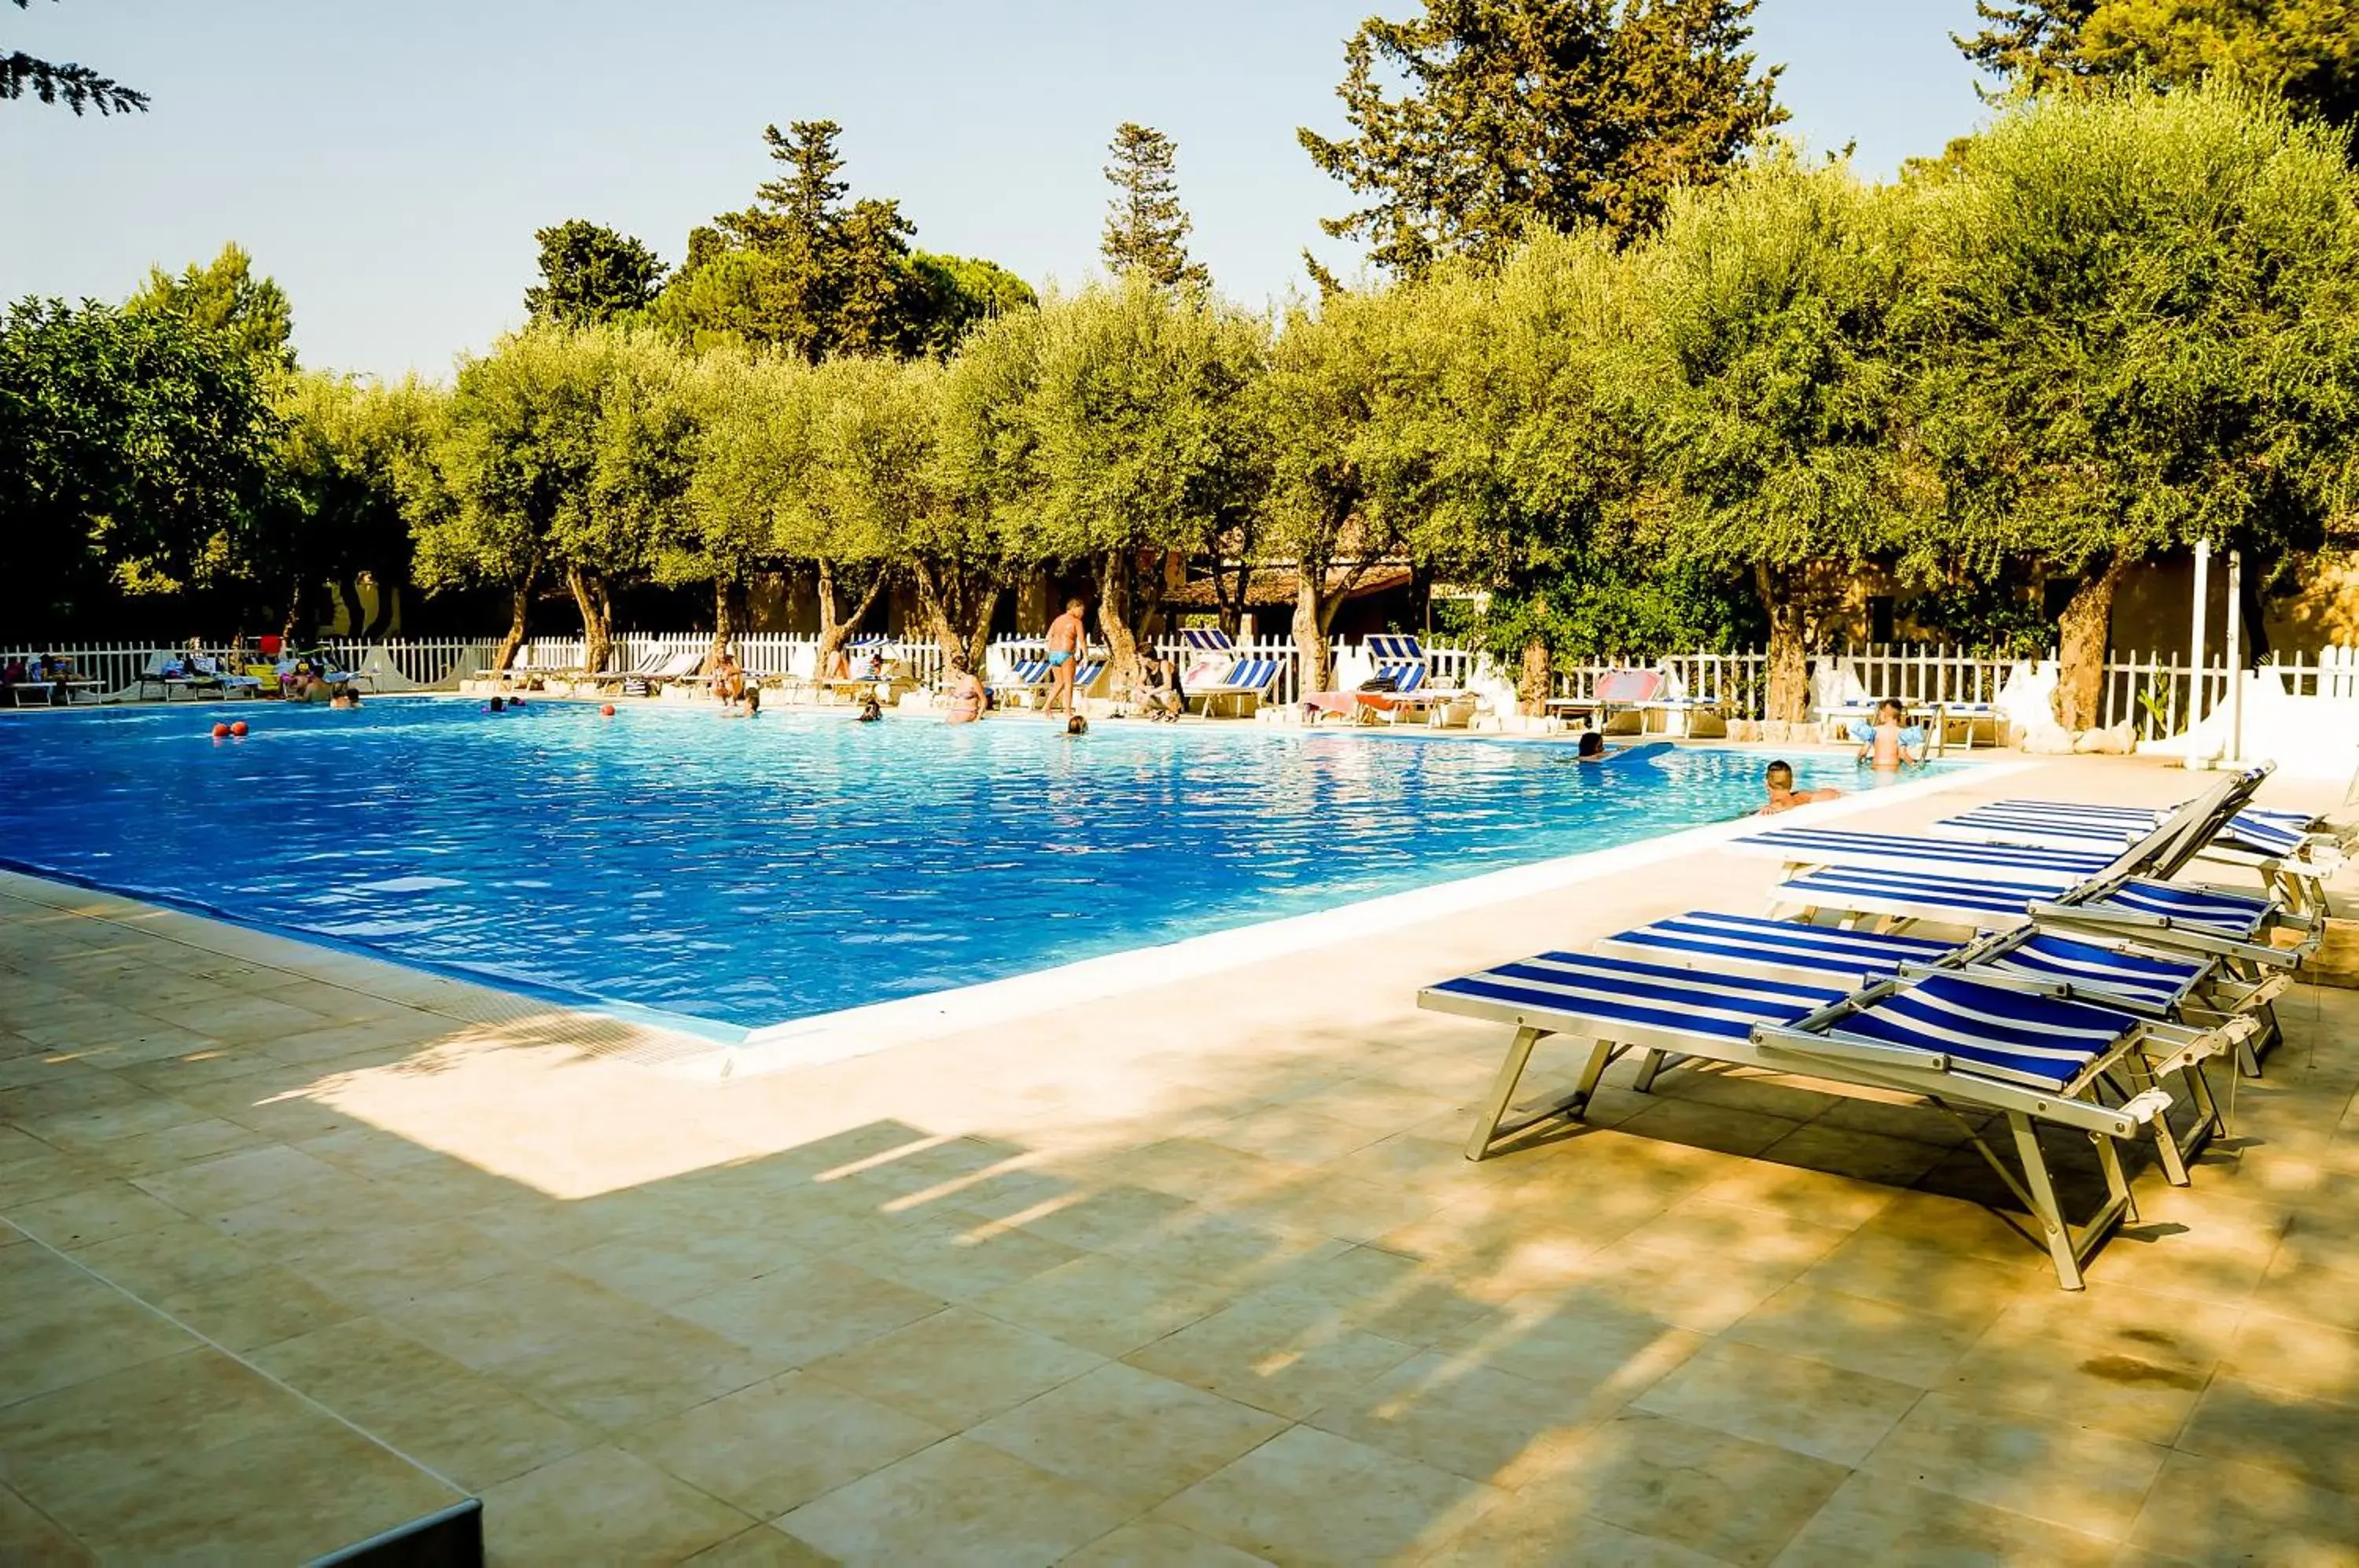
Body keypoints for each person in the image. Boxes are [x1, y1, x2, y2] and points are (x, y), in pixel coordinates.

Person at [1042, 597, 1087, 723]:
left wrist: (1051, 648)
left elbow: (1048, 636)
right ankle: (1067, 712)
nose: (1082, 613)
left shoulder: (1057, 620)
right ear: (1074, 608)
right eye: (1081, 610)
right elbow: (1082, 640)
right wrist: (1085, 656)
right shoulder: (1076, 622)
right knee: (1068, 684)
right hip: (1066, 654)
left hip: (1053, 654)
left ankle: (1046, 707)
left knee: (1059, 682)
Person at [1857, 698, 1923, 771]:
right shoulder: (1901, 733)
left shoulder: (1874, 731)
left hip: (1876, 767)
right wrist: (1914, 765)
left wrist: (1859, 763)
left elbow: (1864, 751)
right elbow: (1902, 754)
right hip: (1892, 767)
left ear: (1885, 714)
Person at [1761, 760, 1840, 814]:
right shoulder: (1802, 797)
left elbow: (1781, 805)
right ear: (1792, 782)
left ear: (1766, 784)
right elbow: (1834, 794)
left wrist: (1769, 808)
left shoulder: (1776, 806)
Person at [1139, 651, 1184, 722]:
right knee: (1135, 694)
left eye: (1140, 658)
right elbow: (1139, 683)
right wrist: (1145, 688)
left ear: (1148, 659)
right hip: (1158, 697)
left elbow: (1168, 685)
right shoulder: (1145, 667)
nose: (1138, 660)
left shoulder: (1164, 664)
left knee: (1165, 695)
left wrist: (1149, 693)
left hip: (1173, 698)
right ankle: (1157, 713)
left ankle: (1174, 713)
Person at [942, 655, 984, 725]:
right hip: (955, 712)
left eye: (953, 668)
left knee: (955, 728)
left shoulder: (972, 680)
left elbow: (984, 700)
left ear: (957, 668)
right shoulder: (958, 680)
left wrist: (978, 718)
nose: (951, 670)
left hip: (968, 712)